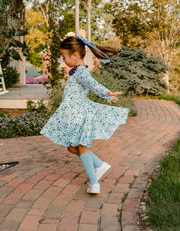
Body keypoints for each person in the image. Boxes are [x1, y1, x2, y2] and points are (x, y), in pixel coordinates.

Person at [41, 36, 129, 194]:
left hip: (80, 115)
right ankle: (99, 165)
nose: (63, 60)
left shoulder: (81, 71)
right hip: (74, 114)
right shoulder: (77, 72)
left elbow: (93, 84)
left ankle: (94, 184)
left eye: (64, 56)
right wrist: (107, 96)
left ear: (74, 56)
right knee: (72, 147)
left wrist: (106, 93)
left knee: (81, 147)